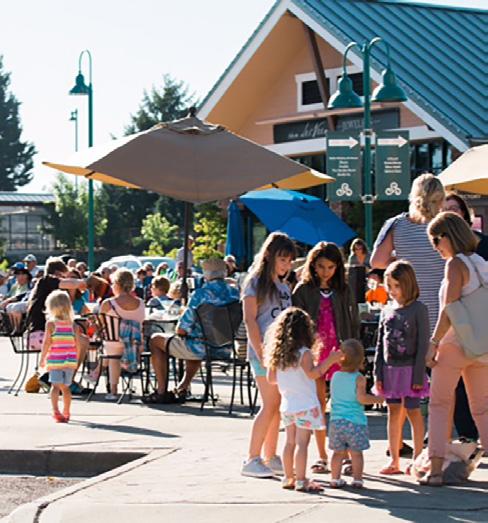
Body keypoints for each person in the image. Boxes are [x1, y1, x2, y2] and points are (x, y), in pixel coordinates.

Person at [421, 212, 488, 486]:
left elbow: (449, 309)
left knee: (439, 405)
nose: (435, 246)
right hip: (481, 345)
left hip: (454, 345)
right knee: (482, 408)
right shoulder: (481, 263)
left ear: (449, 236)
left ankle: (435, 470)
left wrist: (433, 343)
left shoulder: (455, 265)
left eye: (436, 240)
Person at [292, 242, 359, 474]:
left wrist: (355, 349)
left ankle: (346, 454)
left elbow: (353, 321)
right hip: (315, 352)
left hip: (340, 350)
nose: (325, 272)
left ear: (338, 267)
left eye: (331, 267)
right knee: (318, 403)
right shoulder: (302, 290)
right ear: (312, 265)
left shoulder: (343, 289)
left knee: (343, 403)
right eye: (321, 266)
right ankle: (321, 455)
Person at [266, 307, 342, 492]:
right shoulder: (304, 353)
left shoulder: (278, 355)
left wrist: (288, 378)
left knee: (289, 443)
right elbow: (313, 374)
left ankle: (288, 477)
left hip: (288, 404)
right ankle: (301, 479)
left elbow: (271, 379)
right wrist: (330, 360)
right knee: (302, 444)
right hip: (306, 405)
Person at [144, 259, 239, 404]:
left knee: (155, 340)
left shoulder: (201, 294)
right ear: (225, 273)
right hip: (225, 348)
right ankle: (182, 387)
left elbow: (182, 329)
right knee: (194, 339)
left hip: (200, 347)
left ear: (206, 274)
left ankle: (161, 391)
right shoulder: (235, 294)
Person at [241, 232, 296, 478]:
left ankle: (270, 456)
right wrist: (261, 352)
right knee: (270, 403)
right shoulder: (254, 282)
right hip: (263, 352)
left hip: (281, 353)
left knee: (277, 405)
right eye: (282, 259)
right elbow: (250, 320)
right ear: (269, 256)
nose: (286, 265)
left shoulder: (283, 287)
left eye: (289, 261)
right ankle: (252, 457)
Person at [374, 260, 430, 475]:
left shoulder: (419, 309)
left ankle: (418, 458)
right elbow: (380, 344)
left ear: (408, 284)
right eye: (389, 285)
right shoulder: (386, 310)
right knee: (393, 412)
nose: (392, 290)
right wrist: (378, 373)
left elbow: (423, 344)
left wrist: (418, 374)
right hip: (390, 371)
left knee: (414, 412)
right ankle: (394, 459)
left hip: (411, 370)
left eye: (396, 285)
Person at [371, 173, 445, 333]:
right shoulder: (446, 225)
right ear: (440, 199)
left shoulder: (396, 224)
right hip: (443, 309)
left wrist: (401, 258)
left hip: (408, 307)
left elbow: (376, 261)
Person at [443, 191, 488, 443]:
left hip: (477, 324)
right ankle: (467, 436)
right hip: (456, 329)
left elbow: (450, 302)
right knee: (458, 389)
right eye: (445, 209)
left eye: (455, 208)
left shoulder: (479, 248)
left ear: (465, 213)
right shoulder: (441, 251)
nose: (450, 213)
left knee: (476, 394)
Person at [27, 257, 88, 394]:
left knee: (76, 340)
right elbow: (73, 283)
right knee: (82, 341)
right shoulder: (47, 280)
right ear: (58, 274)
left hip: (37, 334)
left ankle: (55, 376)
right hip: (40, 335)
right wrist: (85, 282)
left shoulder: (43, 287)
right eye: (64, 277)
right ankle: (67, 380)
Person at [329, 339, 384, 489]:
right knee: (356, 453)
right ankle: (357, 479)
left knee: (337, 453)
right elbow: (361, 398)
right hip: (355, 421)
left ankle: (335, 478)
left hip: (336, 421)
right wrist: (378, 399)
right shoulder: (359, 378)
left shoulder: (335, 376)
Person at [99, 268, 145, 400]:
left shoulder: (108, 303)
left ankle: (112, 389)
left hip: (114, 342)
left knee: (111, 351)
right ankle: (97, 374)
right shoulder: (141, 303)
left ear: (117, 284)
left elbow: (101, 324)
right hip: (135, 343)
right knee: (113, 348)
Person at [39, 290, 80, 423]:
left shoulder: (51, 324)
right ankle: (66, 411)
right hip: (70, 361)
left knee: (55, 386)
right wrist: (76, 359)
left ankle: (56, 410)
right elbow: (77, 344)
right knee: (66, 388)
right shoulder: (73, 325)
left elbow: (47, 343)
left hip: (56, 359)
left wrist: (42, 358)